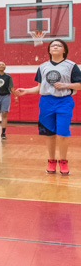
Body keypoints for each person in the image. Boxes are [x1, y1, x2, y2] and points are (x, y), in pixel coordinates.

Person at [15, 39, 81, 175]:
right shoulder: (43, 66)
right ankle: (51, 161)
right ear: (49, 50)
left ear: (64, 50)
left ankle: (63, 162)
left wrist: (66, 85)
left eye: (59, 45)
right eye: (53, 45)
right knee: (49, 134)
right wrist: (27, 90)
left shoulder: (71, 66)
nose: (55, 47)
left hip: (64, 102)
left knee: (62, 133)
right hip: (46, 102)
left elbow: (79, 85)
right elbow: (40, 88)